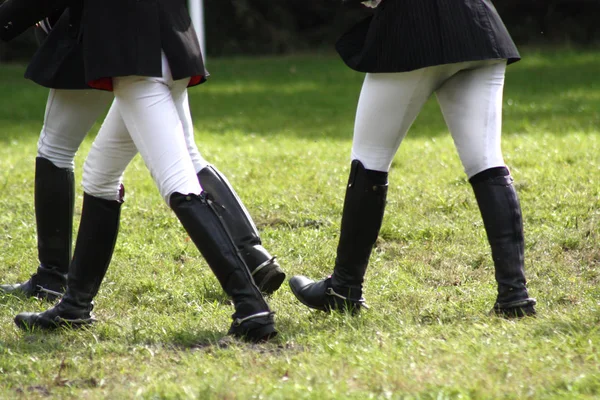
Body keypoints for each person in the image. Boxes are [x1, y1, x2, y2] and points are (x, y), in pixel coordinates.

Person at [4, 0, 280, 342]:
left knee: (178, 181)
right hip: (163, 40)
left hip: (136, 52)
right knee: (100, 174)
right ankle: (75, 306)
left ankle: (251, 309)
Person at [289, 0, 536, 318]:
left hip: (414, 27)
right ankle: (514, 295)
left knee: (369, 159)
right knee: (486, 160)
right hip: (476, 26)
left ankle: (344, 289)